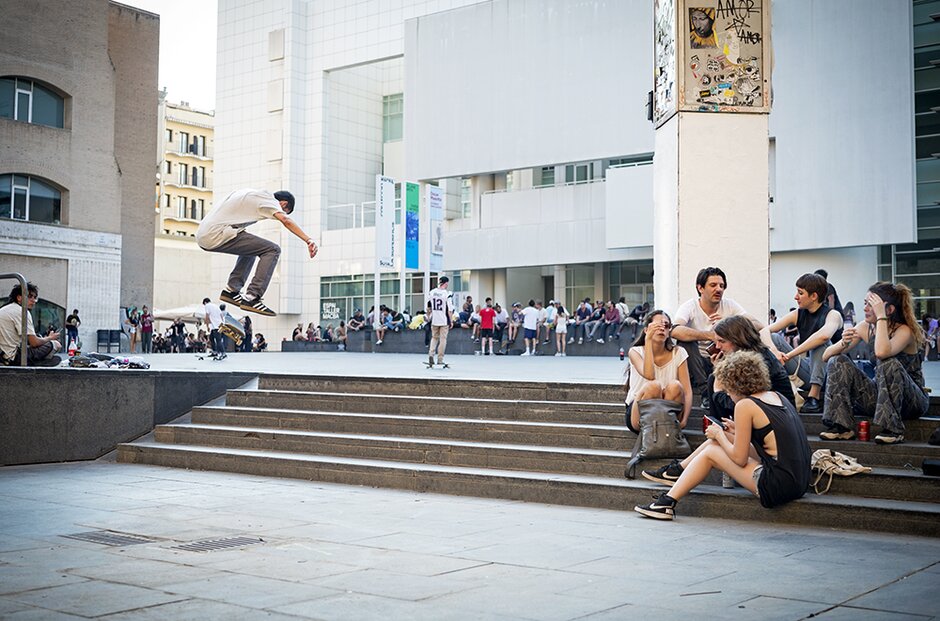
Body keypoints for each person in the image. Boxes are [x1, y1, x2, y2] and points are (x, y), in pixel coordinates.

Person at [636, 350, 812, 520]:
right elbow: (770, 446)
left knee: (712, 452)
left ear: (734, 384)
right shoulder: (777, 396)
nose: (727, 394)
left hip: (778, 485)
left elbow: (740, 459)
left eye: (727, 389)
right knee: (715, 444)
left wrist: (720, 434)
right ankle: (676, 477)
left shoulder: (745, 405)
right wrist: (733, 433)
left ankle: (666, 503)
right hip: (800, 481)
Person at [820, 282, 929, 444]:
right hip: (880, 397)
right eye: (865, 303)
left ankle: (893, 429)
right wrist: (843, 343)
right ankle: (841, 426)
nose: (865, 308)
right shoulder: (865, 327)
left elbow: (882, 352)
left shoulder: (905, 331)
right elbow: (826, 356)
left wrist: (881, 318)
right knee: (838, 360)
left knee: (887, 362)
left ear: (889, 310)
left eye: (870, 305)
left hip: (911, 402)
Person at [196, 189, 319, 317]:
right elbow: (286, 220)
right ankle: (252, 297)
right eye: (282, 210)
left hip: (205, 233)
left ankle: (231, 291)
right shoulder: (269, 200)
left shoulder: (252, 194)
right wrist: (308, 240)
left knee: (253, 247)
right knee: (273, 249)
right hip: (215, 234)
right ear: (283, 204)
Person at [671, 267, 762, 406]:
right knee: (685, 343)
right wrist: (710, 336)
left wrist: (728, 323)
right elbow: (675, 330)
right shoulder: (690, 307)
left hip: (724, 359)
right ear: (700, 288)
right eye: (713, 285)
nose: (718, 289)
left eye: (722, 286)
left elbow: (758, 325)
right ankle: (705, 392)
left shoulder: (729, 305)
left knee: (742, 339)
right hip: (697, 365)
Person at [760, 273, 843, 413]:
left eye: (800, 293)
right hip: (809, 371)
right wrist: (775, 352)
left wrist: (790, 354)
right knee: (774, 338)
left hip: (832, 376)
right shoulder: (798, 314)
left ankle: (814, 397)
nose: (795, 297)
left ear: (814, 296)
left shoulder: (833, 315)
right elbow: (764, 331)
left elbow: (823, 336)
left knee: (820, 344)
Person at [706, 316, 795, 424]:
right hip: (770, 414)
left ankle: (719, 427)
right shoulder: (751, 355)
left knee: (715, 380)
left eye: (722, 341)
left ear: (737, 339)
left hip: (777, 420)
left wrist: (718, 391)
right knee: (714, 378)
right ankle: (718, 426)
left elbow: (742, 405)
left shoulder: (756, 362)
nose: (718, 346)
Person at [624, 311, 692, 435]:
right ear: (646, 330)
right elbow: (650, 375)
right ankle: (654, 431)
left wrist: (685, 419)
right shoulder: (635, 351)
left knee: (675, 386)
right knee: (653, 386)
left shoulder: (678, 352)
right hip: (638, 413)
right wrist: (648, 340)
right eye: (656, 326)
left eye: (666, 326)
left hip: (667, 411)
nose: (661, 329)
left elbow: (687, 391)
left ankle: (665, 429)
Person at [0, 282, 62, 366]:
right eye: (29, 297)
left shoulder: (5, 308)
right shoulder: (22, 311)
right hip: (12, 357)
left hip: (4, 355)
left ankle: (40, 362)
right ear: (19, 297)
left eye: (35, 297)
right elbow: (34, 342)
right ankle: (39, 363)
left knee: (46, 349)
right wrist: (50, 338)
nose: (33, 301)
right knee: (55, 344)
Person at [426, 275, 454, 366]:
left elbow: (429, 306)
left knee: (434, 338)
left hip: (434, 319)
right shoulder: (447, 294)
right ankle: (440, 359)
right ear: (446, 283)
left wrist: (429, 315)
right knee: (443, 339)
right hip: (444, 320)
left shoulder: (432, 292)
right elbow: (450, 309)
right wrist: (451, 321)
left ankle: (431, 354)